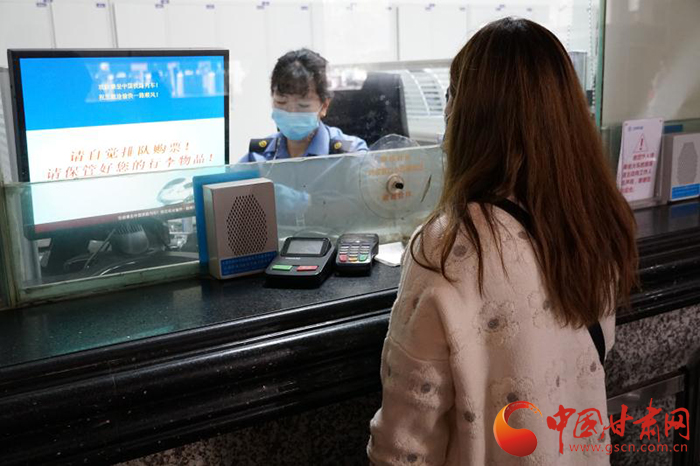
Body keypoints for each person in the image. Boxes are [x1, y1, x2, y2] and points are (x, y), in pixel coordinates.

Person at [367, 17, 638, 465]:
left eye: (452, 96)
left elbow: (406, 443)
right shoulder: (596, 221)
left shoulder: (447, 249)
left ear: (468, 115)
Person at [240, 49, 368, 163]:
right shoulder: (259, 156)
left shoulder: (349, 154)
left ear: (324, 106)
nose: (291, 112)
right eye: (281, 102)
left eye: (303, 105)